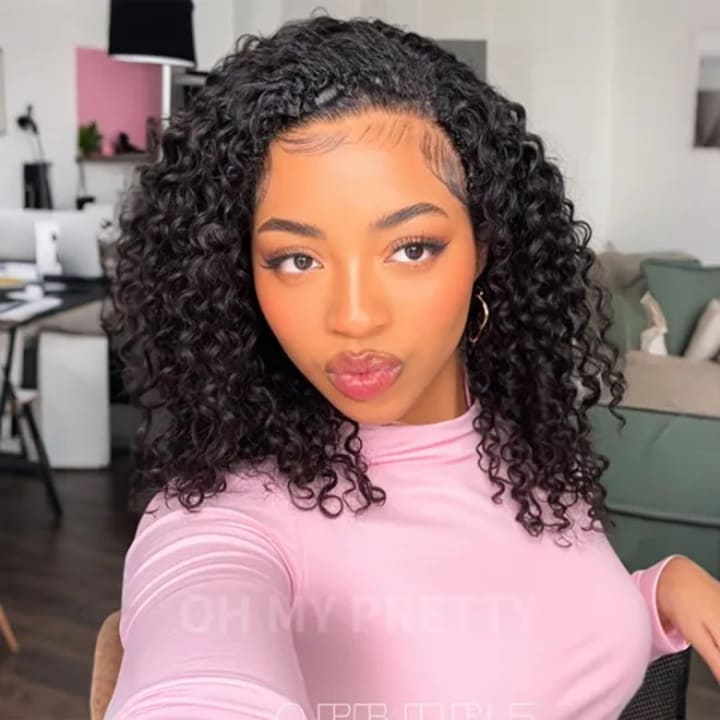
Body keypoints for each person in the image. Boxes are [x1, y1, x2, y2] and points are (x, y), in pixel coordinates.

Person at [103, 14, 720, 720]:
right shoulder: (225, 523)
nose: (355, 317)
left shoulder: (518, 446)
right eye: (297, 259)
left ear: (483, 247)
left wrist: (658, 594)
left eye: (411, 248)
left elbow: (541, 645)